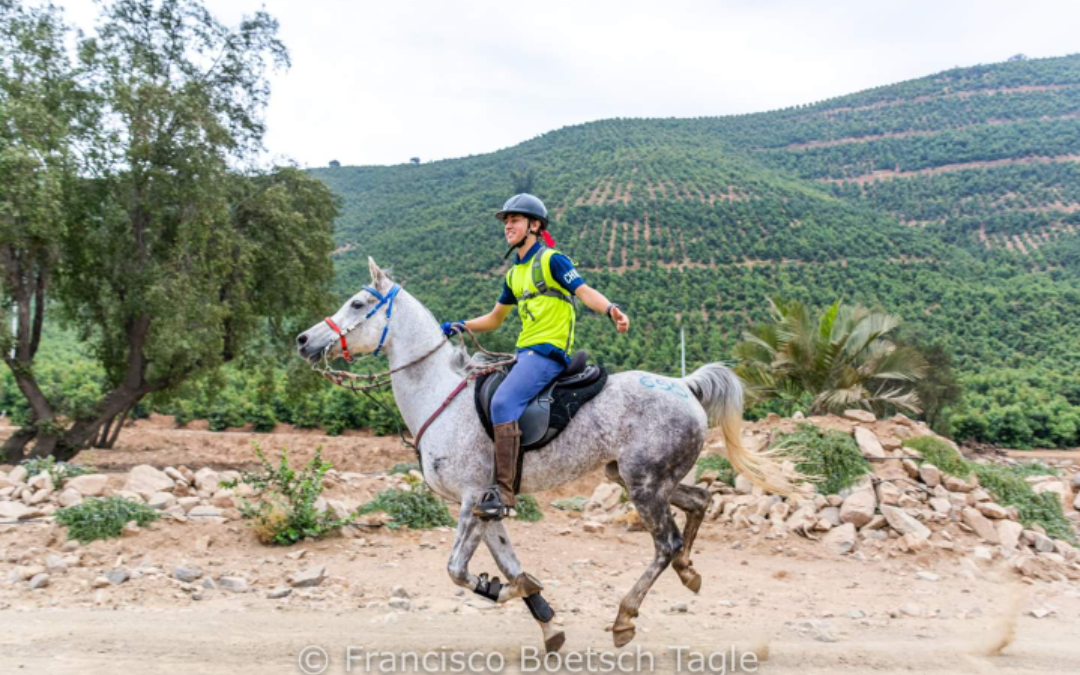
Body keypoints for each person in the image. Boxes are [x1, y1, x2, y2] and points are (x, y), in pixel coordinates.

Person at [441, 193, 630, 521]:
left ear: (535, 225)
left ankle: (503, 494)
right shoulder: (514, 275)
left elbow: (584, 292)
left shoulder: (553, 261)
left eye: (514, 220)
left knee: (502, 403)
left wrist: (611, 309)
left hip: (548, 352)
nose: (508, 226)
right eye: (506, 221)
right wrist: (458, 325)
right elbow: (495, 318)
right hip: (524, 352)